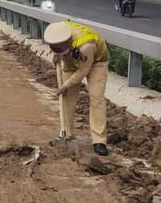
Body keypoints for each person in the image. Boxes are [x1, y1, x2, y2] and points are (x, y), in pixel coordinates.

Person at [43, 20, 110, 156]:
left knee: (96, 98)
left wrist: (65, 85)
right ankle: (66, 134)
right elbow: (58, 45)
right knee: (67, 96)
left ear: (67, 42)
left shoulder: (86, 45)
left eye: (59, 48)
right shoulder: (58, 31)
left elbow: (82, 72)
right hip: (71, 57)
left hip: (97, 61)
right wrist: (58, 56)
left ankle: (99, 140)